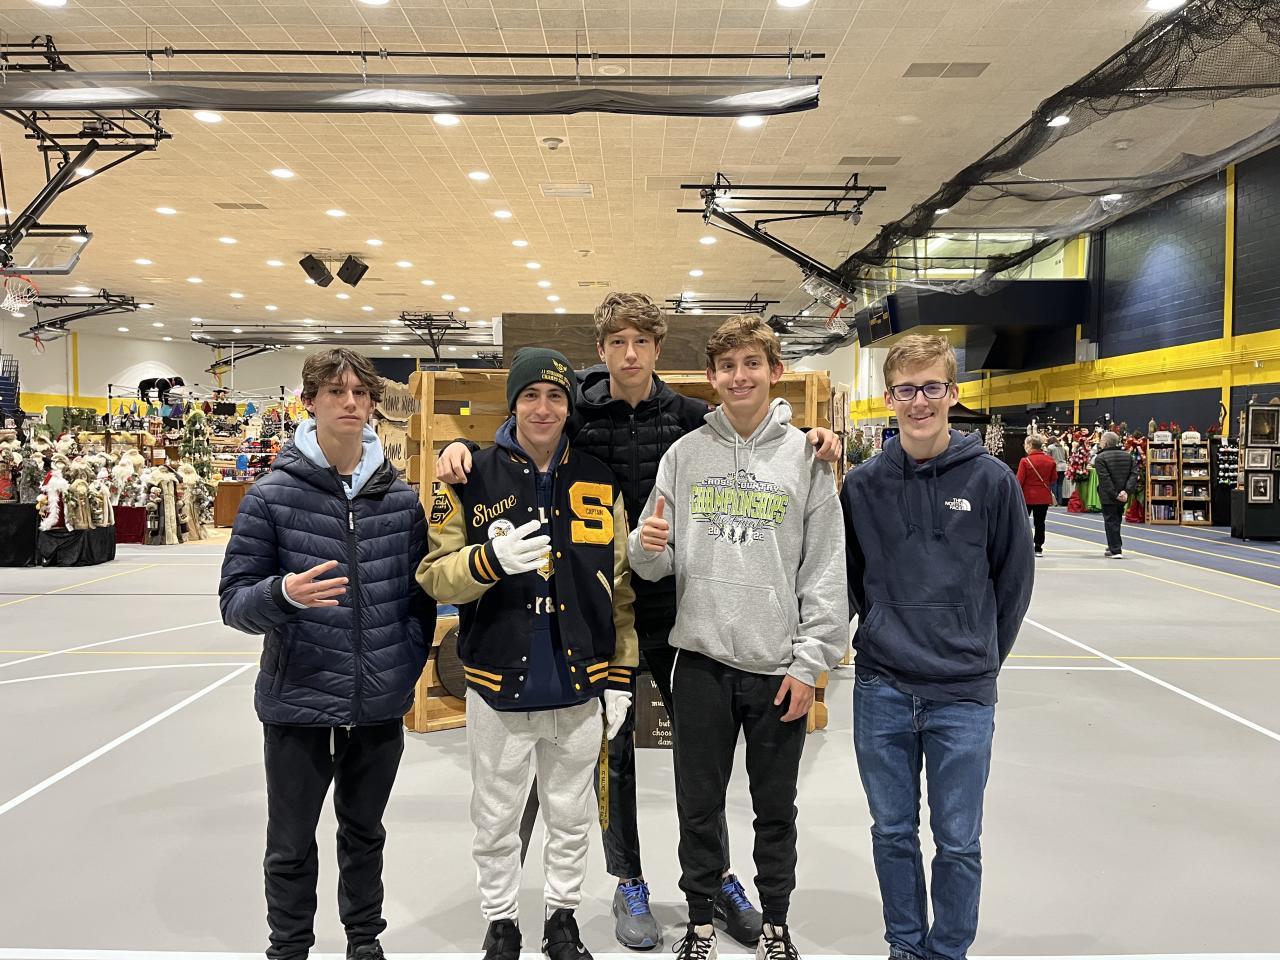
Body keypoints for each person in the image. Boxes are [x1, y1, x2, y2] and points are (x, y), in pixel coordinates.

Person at [434, 292, 842, 951]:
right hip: (601, 609)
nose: (629, 354)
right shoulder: (576, 413)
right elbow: (521, 439)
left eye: (642, 342)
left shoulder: (690, 420)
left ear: (658, 349)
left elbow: (752, 431)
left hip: (683, 611)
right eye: (617, 342)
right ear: (602, 350)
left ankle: (718, 879)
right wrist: (459, 446)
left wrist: (817, 435)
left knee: (701, 765)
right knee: (613, 757)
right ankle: (629, 879)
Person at [628, 315, 848, 960]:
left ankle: (775, 923)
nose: (739, 376)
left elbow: (825, 568)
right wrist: (645, 547)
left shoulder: (806, 457)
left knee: (775, 809)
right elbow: (652, 559)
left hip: (778, 668)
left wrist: (810, 665)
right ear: (712, 377)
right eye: (727, 366)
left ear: (774, 371)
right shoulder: (683, 456)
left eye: (752, 363)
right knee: (697, 806)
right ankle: (699, 924)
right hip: (699, 662)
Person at [417, 347, 639, 960]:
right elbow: (434, 575)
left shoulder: (599, 479)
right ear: (513, 403)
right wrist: (486, 562)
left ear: (569, 406)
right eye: (530, 396)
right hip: (497, 685)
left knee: (571, 816)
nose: (543, 408)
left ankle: (562, 919)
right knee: (495, 818)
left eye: (555, 396)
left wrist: (620, 675)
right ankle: (501, 921)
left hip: (579, 685)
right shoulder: (468, 475)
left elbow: (620, 586)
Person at [219, 348, 436, 960]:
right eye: (336, 392)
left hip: (378, 707)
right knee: (290, 844)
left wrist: (402, 669)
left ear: (373, 405)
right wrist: (283, 594)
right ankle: (288, 948)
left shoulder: (400, 501)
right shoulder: (270, 497)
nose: (350, 403)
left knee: (365, 835)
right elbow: (234, 602)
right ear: (309, 401)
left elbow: (419, 601)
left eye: (360, 393)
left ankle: (364, 943)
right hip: (299, 700)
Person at [840, 334, 1033, 960]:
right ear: (888, 398)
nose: (919, 401)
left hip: (962, 696)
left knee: (958, 841)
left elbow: (1013, 583)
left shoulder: (992, 481)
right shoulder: (862, 486)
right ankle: (904, 945)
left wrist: (977, 655)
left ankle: (948, 950)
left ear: (953, 393)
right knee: (892, 832)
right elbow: (849, 582)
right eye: (906, 389)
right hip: (883, 689)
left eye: (931, 387)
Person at [1094, 430, 1137, 558]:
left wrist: (1115, 494)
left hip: (1109, 496)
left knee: (1110, 521)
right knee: (1116, 520)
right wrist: (1126, 491)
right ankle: (1113, 545)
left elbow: (1105, 479)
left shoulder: (1100, 458)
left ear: (1106, 443)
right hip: (1123, 495)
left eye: (1101, 441)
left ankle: (1115, 549)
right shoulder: (1128, 456)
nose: (1100, 443)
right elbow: (1134, 475)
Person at [1015, 435, 1057, 556]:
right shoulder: (1050, 460)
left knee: (1022, 522)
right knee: (1040, 522)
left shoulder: (1025, 461)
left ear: (1030, 445)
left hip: (1027, 497)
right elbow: (1053, 479)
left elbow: (1019, 480)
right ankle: (1038, 547)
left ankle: (1022, 545)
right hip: (1043, 497)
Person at [1045, 434, 1069, 505]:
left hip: (1055, 467)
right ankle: (1060, 502)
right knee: (1060, 485)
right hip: (1063, 467)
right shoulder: (1062, 447)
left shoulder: (1050, 447)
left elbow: (1048, 458)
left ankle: (1054, 501)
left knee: (1054, 484)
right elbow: (1066, 457)